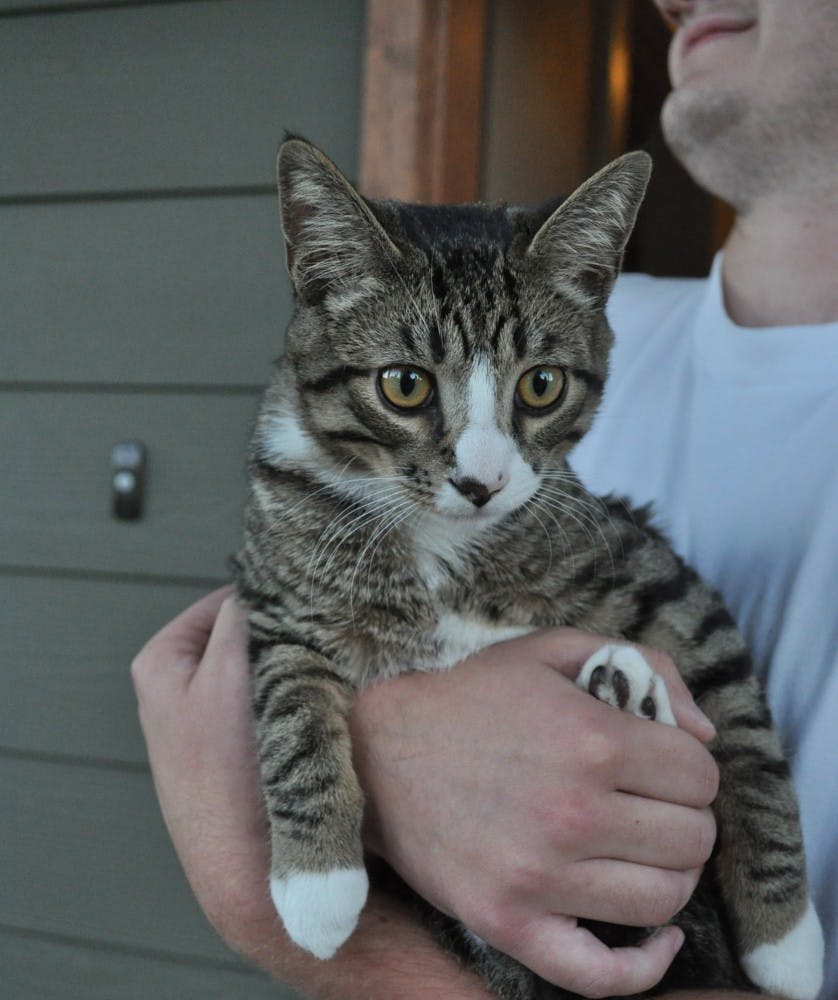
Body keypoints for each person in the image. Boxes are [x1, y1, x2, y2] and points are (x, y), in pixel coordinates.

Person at [132, 1, 838, 997]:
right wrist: (376, 761)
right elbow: (268, 641)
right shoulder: (596, 328)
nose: (480, 470)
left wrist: (262, 900)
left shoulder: (565, 351)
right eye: (408, 388)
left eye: (536, 392)